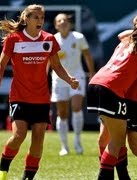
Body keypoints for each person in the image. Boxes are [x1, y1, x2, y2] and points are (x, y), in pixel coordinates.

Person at [0, 4, 79, 180]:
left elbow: (57, 66)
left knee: (38, 140)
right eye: (36, 17)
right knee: (18, 136)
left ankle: (27, 178)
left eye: (42, 17)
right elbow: (1, 64)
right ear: (26, 19)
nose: (40, 20)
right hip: (19, 97)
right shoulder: (14, 38)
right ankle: (2, 171)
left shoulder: (49, 39)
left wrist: (70, 79)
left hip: (41, 98)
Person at [87, 11, 137, 179]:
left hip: (96, 82)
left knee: (107, 138)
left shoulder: (126, 39)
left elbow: (120, 34)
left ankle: (123, 176)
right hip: (111, 88)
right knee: (116, 140)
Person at [51, 13, 95, 156]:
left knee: (76, 107)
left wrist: (92, 74)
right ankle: (64, 146)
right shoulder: (52, 40)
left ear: (69, 23)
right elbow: (48, 61)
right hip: (59, 79)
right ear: (56, 25)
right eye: (59, 21)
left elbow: (87, 55)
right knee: (62, 113)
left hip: (77, 76)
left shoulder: (79, 37)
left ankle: (77, 140)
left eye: (65, 20)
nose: (63, 22)